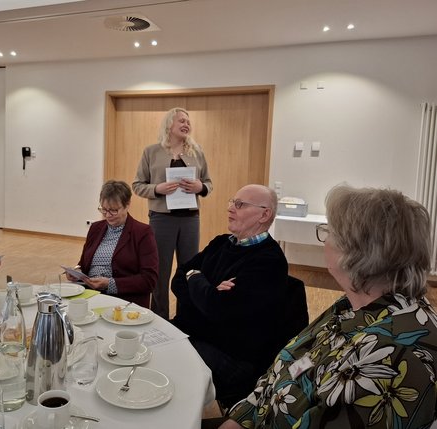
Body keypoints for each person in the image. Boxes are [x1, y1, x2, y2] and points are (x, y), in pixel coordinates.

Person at [214, 185, 437, 429]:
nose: (325, 239)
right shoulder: (352, 304)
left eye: (330, 230)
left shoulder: (392, 354)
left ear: (357, 251)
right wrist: (241, 418)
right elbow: (286, 367)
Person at [172, 184, 298, 410]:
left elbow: (217, 309)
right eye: (232, 202)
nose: (230, 208)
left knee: (162, 359)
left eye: (240, 204)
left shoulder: (270, 262)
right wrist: (207, 292)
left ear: (264, 215)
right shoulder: (221, 243)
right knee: (144, 340)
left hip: (231, 355)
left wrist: (196, 279)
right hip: (194, 333)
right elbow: (178, 279)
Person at [132, 107, 212, 319]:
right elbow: (137, 185)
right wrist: (157, 189)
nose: (187, 124)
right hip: (161, 220)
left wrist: (200, 187)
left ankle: (188, 316)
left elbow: (208, 183)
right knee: (160, 272)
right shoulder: (151, 152)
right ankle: (159, 317)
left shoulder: (197, 152)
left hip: (190, 220)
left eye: (188, 121)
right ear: (169, 124)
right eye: (181, 121)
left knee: (189, 270)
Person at [66, 180, 158, 308]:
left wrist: (110, 284)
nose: (108, 215)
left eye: (114, 210)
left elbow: (149, 280)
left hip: (123, 300)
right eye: (104, 210)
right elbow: (83, 264)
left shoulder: (142, 232)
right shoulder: (95, 228)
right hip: (90, 293)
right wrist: (77, 272)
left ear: (127, 205)